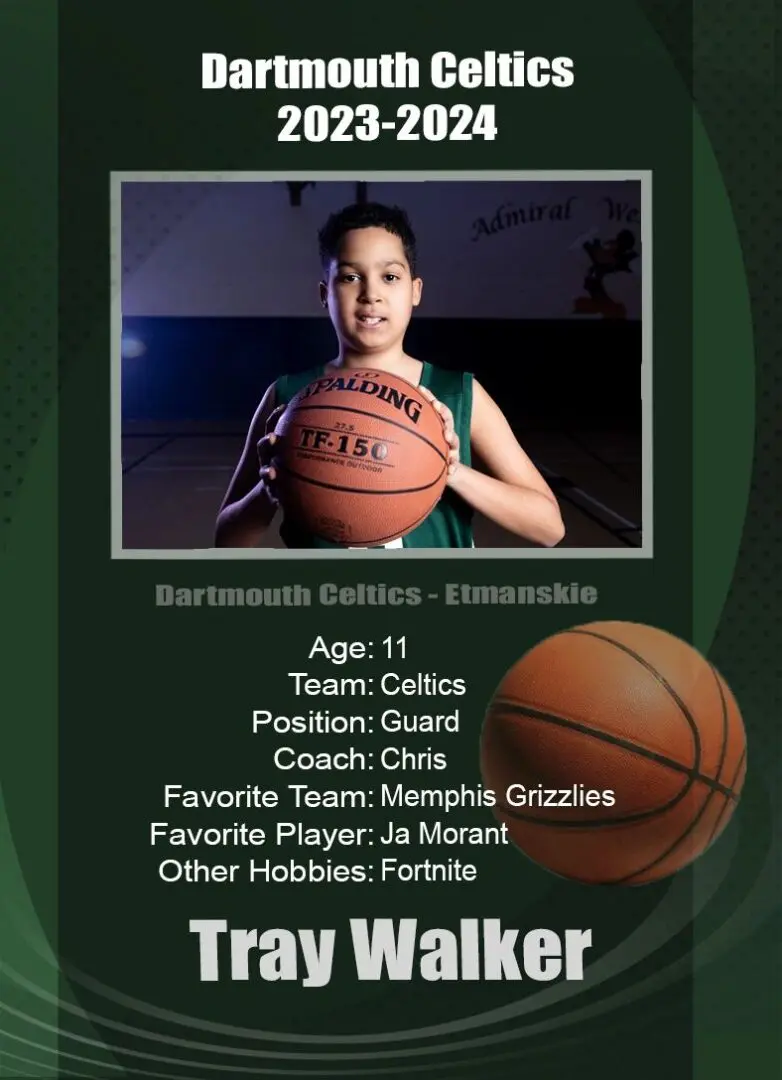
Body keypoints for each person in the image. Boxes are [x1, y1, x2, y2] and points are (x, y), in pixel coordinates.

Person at [215, 202, 565, 549]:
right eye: (351, 277)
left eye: (390, 277)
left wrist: (450, 471)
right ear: (326, 293)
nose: (371, 295)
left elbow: (549, 528)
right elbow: (227, 541)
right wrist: (268, 490)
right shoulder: (288, 396)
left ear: (415, 291)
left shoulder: (457, 392)